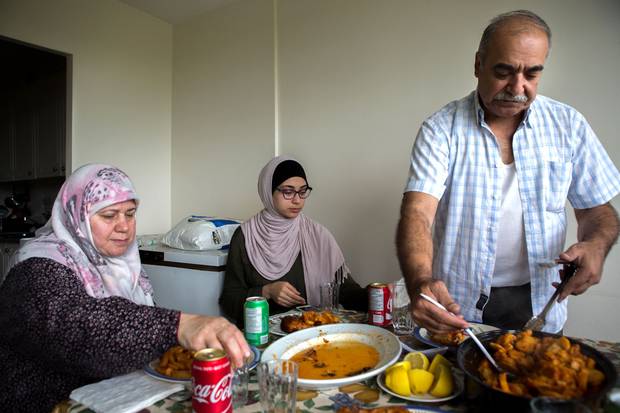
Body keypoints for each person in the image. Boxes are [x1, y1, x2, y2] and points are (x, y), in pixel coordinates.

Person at [396, 10, 620, 334]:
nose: (518, 87)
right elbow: (417, 213)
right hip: (457, 307)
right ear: (478, 65)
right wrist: (421, 282)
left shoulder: (568, 125)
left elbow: (598, 212)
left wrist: (597, 246)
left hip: (541, 304)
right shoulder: (441, 129)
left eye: (532, 74)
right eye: (504, 71)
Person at [0, 164, 250, 413]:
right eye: (109, 215)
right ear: (77, 215)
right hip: (53, 403)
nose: (124, 226)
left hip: (113, 395)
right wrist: (178, 325)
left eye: (130, 213)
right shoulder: (36, 266)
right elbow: (75, 324)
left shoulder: (122, 265)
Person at [220, 156, 367, 327]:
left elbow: (344, 292)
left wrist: (380, 294)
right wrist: (266, 292)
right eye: (288, 192)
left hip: (311, 334)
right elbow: (229, 301)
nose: (297, 200)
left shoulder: (318, 235)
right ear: (268, 191)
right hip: (263, 338)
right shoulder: (245, 236)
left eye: (302, 191)